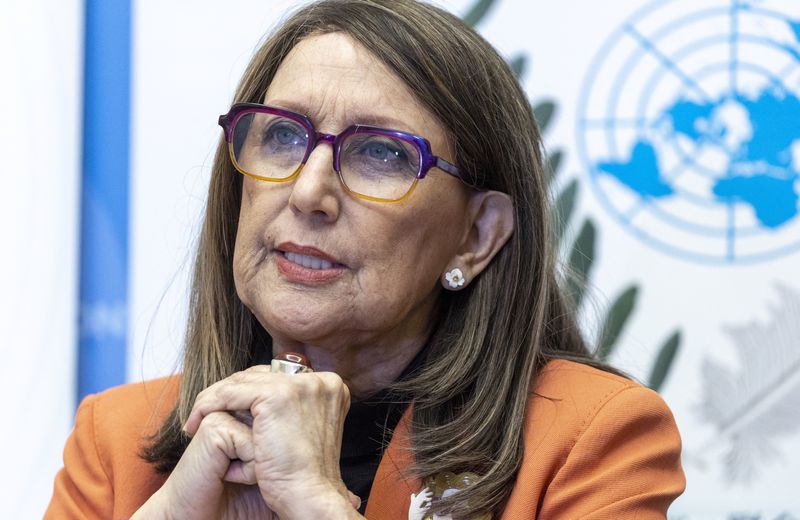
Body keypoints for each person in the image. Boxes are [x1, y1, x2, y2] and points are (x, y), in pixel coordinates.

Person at [46, 0, 685, 518]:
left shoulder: (590, 438)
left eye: (381, 153)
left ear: (477, 234)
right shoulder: (117, 441)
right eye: (282, 136)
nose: (307, 191)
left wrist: (317, 506)